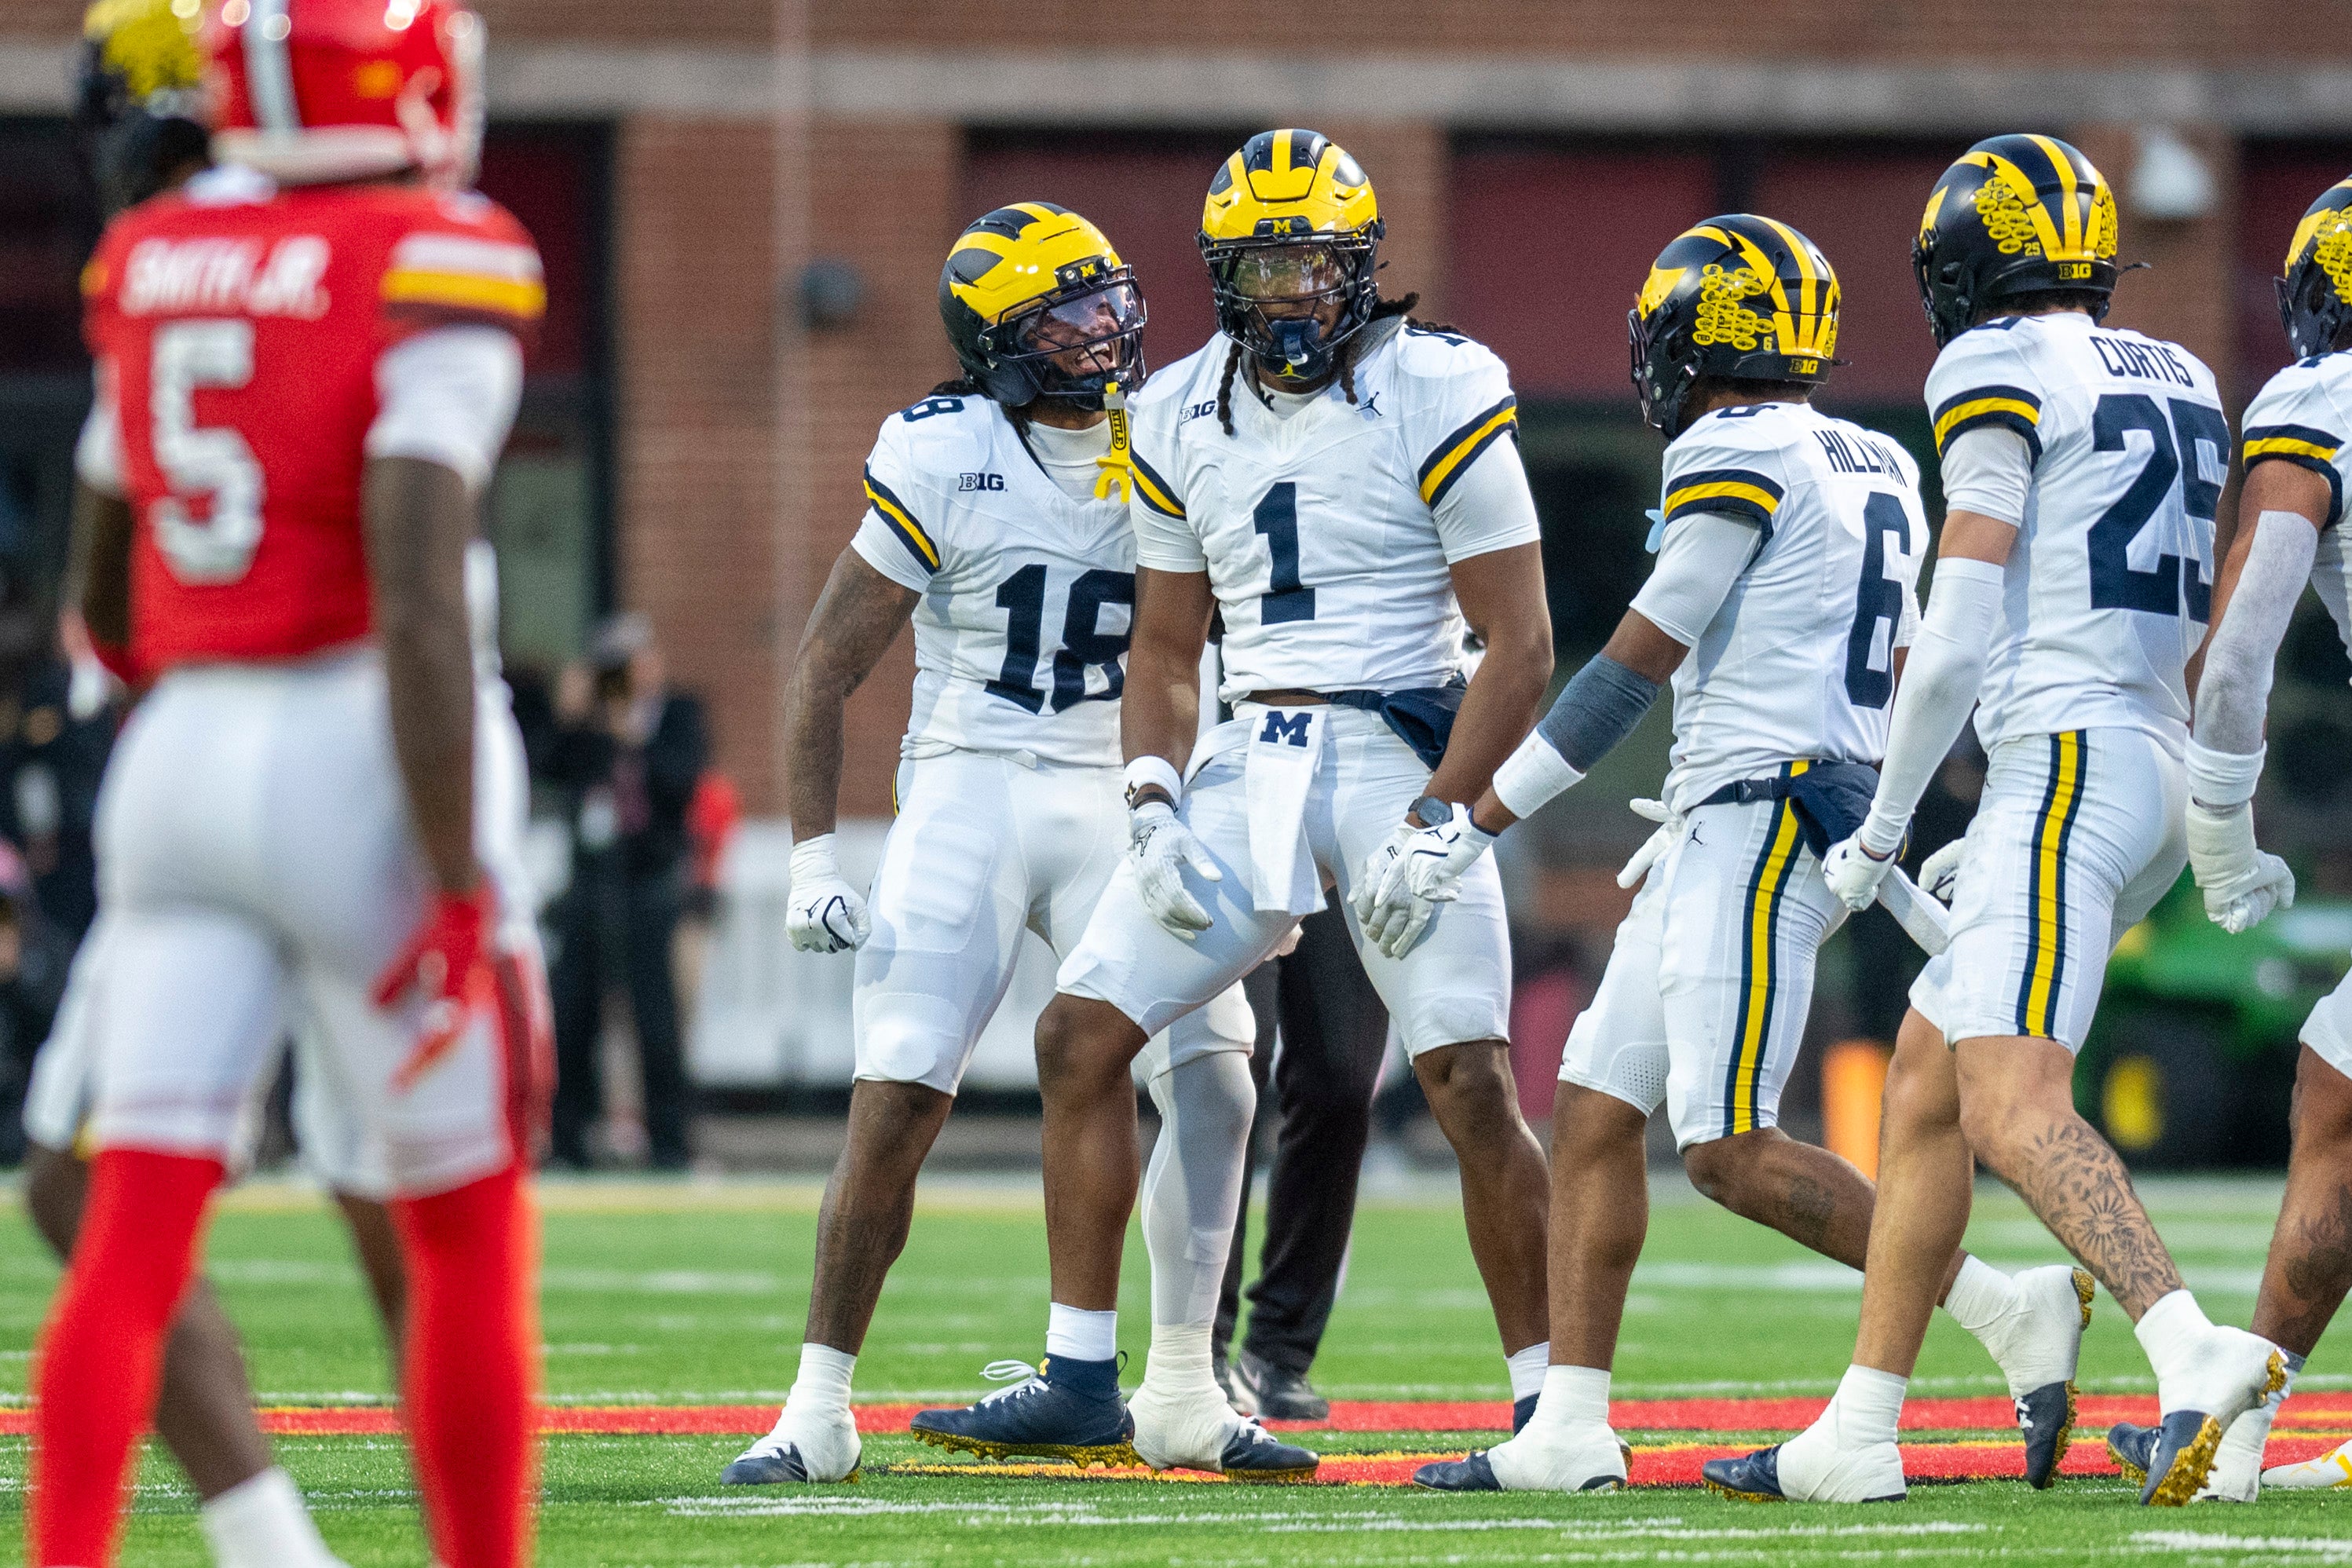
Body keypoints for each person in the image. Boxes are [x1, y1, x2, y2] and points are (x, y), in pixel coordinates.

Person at [1388, 215, 2087, 1493]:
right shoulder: (1873, 452)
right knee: (1596, 1106)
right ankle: (1570, 1427)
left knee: (1723, 1146)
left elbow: (1631, 668)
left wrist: (1472, 820)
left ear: (1686, 340)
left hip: (1762, 826)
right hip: (1758, 813)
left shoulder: (1732, 448)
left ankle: (2001, 1306)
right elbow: (1913, 653)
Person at [913, 129, 1558, 1460]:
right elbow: (1163, 648)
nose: (1291, 292)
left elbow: (1523, 644)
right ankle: (1091, 1376)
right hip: (1248, 760)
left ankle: (1560, 1402)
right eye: (1263, 265)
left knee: (1469, 1076)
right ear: (1222, 273)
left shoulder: (1441, 382)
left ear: (1362, 264)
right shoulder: (1176, 410)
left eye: (1315, 263)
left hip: (1395, 750)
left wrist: (1448, 815)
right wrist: (1149, 797)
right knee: (1080, 1037)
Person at [33, 2, 554, 1564]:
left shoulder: (150, 256)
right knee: (463, 1229)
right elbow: (410, 578)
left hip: (177, 748)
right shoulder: (435, 251)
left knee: (126, 1222)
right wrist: (460, 879)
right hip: (355, 743)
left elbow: (106, 595)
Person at [1705, 134, 2284, 1508]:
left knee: (2010, 1097)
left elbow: (1958, 626)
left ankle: (2189, 1350)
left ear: (1965, 267)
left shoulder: (1992, 363)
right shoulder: (2184, 369)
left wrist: (1889, 819)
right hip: (2145, 746)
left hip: (2067, 757)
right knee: (1923, 1072)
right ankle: (1860, 1424)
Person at [722, 203, 1304, 1486]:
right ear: (1001, 343)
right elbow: (826, 663)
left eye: (1108, 301)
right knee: (900, 1094)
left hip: (1126, 785)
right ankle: (817, 1405)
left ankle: (1181, 1388)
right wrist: (816, 850)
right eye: (1065, 314)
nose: (1103, 331)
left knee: (1214, 1067)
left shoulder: (1189, 431)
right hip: (972, 779)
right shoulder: (941, 448)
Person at [2104, 172, 2352, 1499]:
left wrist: (2218, 819)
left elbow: (2247, 635)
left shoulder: (2320, 398)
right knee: (2336, 1085)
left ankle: (2235, 1434)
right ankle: (2241, 1427)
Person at [544, 611, 707, 1169]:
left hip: (649, 883)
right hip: (590, 884)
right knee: (573, 1012)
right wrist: (572, 717)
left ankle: (669, 1143)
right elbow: (547, 767)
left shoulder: (679, 715)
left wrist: (633, 734)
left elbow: (681, 783)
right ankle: (567, 1139)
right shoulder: (588, 725)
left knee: (655, 1017)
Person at [1216, 901, 1391, 1419]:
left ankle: (1279, 1348)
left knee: (1342, 1079)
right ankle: (1198, 1348)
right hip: (1233, 832)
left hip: (1333, 835)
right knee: (1226, 1068)